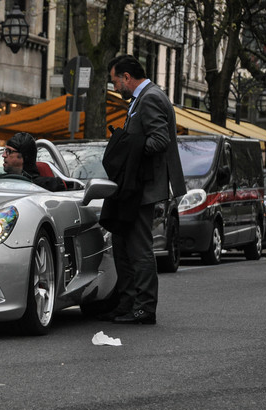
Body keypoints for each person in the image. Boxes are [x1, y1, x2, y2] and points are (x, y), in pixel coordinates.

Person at [101, 54, 186, 325]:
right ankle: (128, 303)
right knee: (123, 244)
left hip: (142, 187)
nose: (115, 87)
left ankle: (144, 307)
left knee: (138, 248)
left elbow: (160, 140)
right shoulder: (145, 97)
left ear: (127, 77)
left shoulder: (150, 97)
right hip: (135, 186)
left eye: (115, 81)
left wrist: (128, 152)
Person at [1, 132, 68, 192]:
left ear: (24, 156)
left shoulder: (48, 186)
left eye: (8, 151)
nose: (3, 155)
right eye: (5, 150)